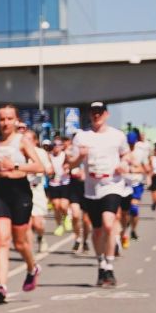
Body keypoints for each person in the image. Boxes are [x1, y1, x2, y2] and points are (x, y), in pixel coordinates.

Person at [65, 101, 131, 287]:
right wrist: (80, 157)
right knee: (97, 230)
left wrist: (123, 164)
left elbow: (126, 155)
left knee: (109, 224)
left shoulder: (117, 136)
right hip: (91, 188)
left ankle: (109, 265)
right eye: (93, 112)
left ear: (106, 114)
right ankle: (101, 263)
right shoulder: (82, 137)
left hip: (112, 184)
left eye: (100, 112)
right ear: (89, 115)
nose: (96, 115)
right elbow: (71, 164)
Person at [0, 105, 46, 301]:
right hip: (0, 192)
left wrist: (16, 166)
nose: (5, 123)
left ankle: (32, 267)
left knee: (20, 242)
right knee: (2, 240)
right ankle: (2, 286)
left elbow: (40, 167)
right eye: (2, 119)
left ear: (16, 120)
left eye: (9, 119)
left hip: (20, 192)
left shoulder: (22, 142)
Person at [29, 136, 56, 254]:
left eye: (29, 139)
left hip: (37, 191)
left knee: (38, 223)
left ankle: (41, 237)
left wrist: (45, 170)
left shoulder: (40, 153)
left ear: (35, 141)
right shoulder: (18, 152)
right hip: (21, 192)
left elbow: (50, 169)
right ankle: (29, 253)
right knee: (27, 224)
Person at [47, 135, 72, 238]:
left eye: (58, 145)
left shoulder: (65, 155)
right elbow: (47, 167)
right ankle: (59, 226)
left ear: (62, 146)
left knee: (63, 205)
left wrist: (67, 168)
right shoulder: (49, 155)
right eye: (54, 144)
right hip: (54, 183)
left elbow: (70, 164)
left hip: (64, 183)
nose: (56, 146)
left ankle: (66, 216)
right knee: (56, 206)